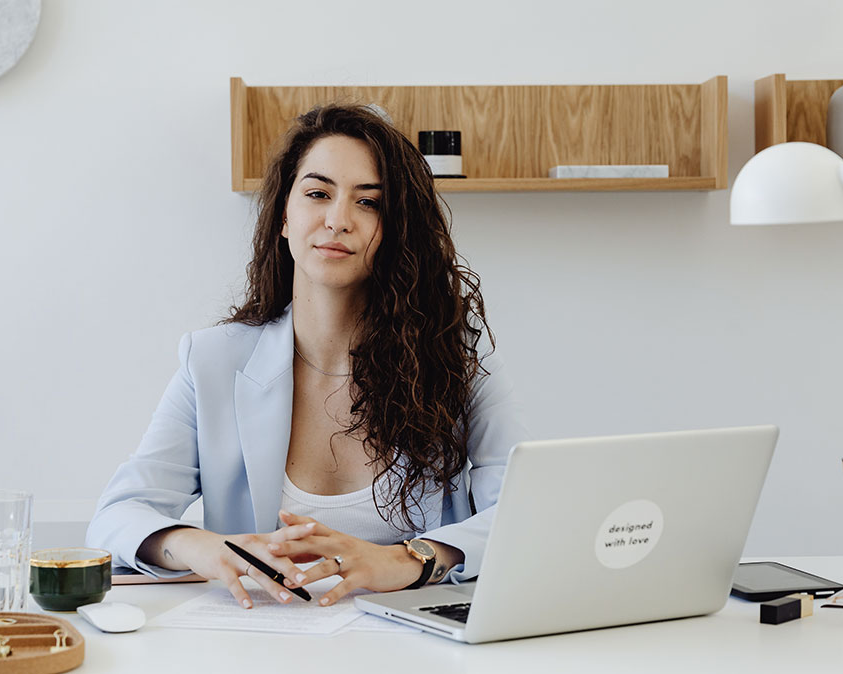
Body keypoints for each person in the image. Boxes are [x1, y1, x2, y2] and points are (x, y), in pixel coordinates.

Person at [86, 104, 527, 609]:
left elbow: (523, 516)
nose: (338, 220)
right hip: (261, 643)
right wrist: (204, 547)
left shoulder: (458, 363)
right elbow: (118, 514)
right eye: (318, 194)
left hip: (417, 642)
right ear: (283, 217)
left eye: (370, 203)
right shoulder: (212, 362)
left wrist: (409, 559)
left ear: (396, 229)